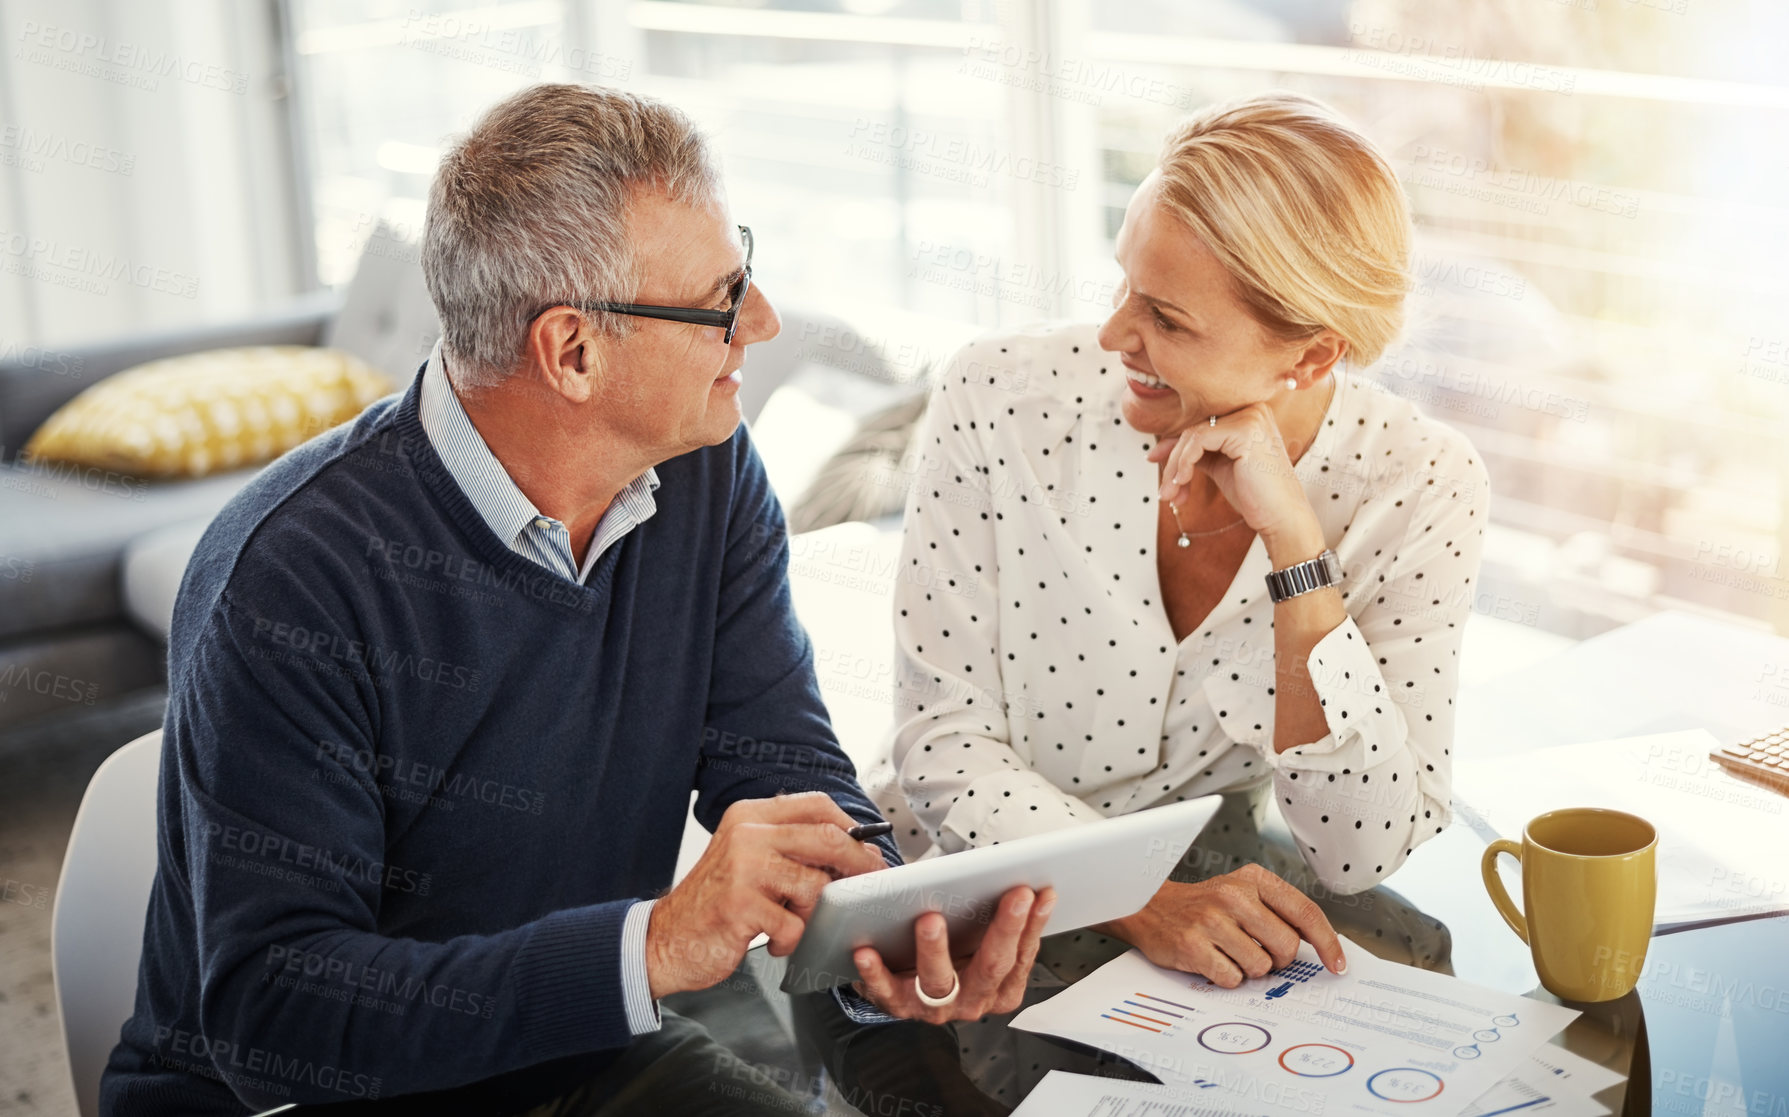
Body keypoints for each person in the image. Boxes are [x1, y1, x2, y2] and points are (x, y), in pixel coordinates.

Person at [99, 83, 1049, 1117]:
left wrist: (885, 915)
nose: (763, 324)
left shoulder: (705, 472)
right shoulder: (290, 575)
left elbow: (777, 762)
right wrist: (654, 943)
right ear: (573, 351)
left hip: (572, 1053)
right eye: (721, 300)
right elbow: (271, 1017)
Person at [879, 91, 1489, 988]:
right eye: (1124, 282)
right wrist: (1144, 901)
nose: (1113, 332)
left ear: (1312, 357)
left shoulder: (1421, 482)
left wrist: (1295, 550)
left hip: (1201, 923)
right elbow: (940, 744)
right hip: (957, 905)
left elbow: (1358, 849)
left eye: (1166, 319)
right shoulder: (998, 396)